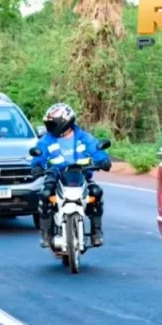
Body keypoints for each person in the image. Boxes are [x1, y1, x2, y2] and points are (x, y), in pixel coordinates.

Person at [30, 103, 111, 249]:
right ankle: (46, 234)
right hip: (55, 175)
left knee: (96, 193)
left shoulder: (83, 137)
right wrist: (36, 166)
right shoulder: (47, 139)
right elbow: (39, 154)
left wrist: (103, 160)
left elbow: (95, 148)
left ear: (64, 122)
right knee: (45, 194)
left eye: (52, 123)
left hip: (81, 176)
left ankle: (96, 233)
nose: (50, 126)